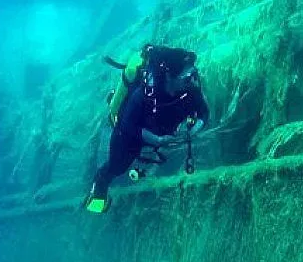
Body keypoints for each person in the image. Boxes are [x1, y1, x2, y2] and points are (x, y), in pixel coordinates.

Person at [84, 44, 210, 213]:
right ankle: (99, 187)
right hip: (133, 133)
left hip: (160, 130)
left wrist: (194, 130)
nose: (193, 81)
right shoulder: (144, 94)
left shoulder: (190, 89)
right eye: (187, 78)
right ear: (169, 77)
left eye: (193, 75)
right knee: (117, 167)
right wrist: (156, 139)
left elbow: (204, 113)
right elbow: (127, 126)